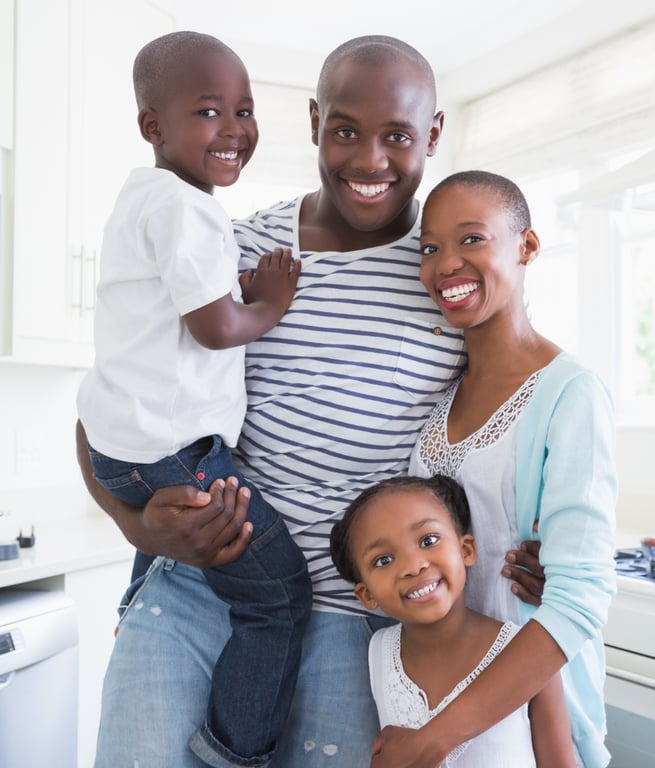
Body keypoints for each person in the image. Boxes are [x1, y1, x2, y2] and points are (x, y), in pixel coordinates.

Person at [76, 35, 469, 767]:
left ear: (434, 135)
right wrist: (136, 528)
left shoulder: (446, 274)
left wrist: (528, 547)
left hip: (360, 622)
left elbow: (501, 426)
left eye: (399, 136)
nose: (370, 161)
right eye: (346, 130)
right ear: (315, 120)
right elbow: (109, 402)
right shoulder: (235, 244)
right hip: (197, 590)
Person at [75, 31, 312, 768]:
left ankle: (137, 603)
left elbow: (184, 315)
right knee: (278, 599)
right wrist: (267, 302)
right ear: (154, 126)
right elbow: (214, 329)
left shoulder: (141, 200)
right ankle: (232, 754)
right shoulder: (193, 211)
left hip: (126, 451)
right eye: (210, 111)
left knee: (197, 558)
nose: (236, 128)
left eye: (244, 108)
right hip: (177, 455)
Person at [377, 170, 616, 768]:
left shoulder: (570, 393)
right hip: (428, 705)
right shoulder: (436, 403)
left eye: (472, 239)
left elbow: (580, 597)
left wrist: (435, 740)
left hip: (529, 723)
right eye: (430, 248)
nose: (445, 265)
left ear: (527, 246)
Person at [329, 474, 576, 768]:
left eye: (428, 540)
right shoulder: (378, 651)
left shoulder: (528, 653)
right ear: (366, 594)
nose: (413, 565)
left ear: (466, 550)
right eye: (383, 560)